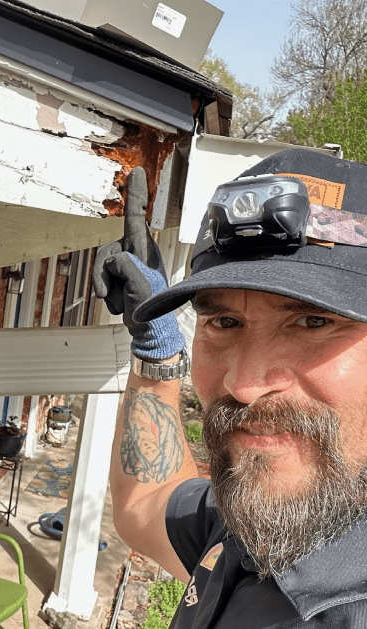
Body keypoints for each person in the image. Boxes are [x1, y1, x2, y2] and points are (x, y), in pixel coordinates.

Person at [93, 148, 367, 627]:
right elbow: (144, 506)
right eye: (224, 320)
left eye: (312, 321)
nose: (243, 385)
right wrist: (157, 351)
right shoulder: (257, 519)